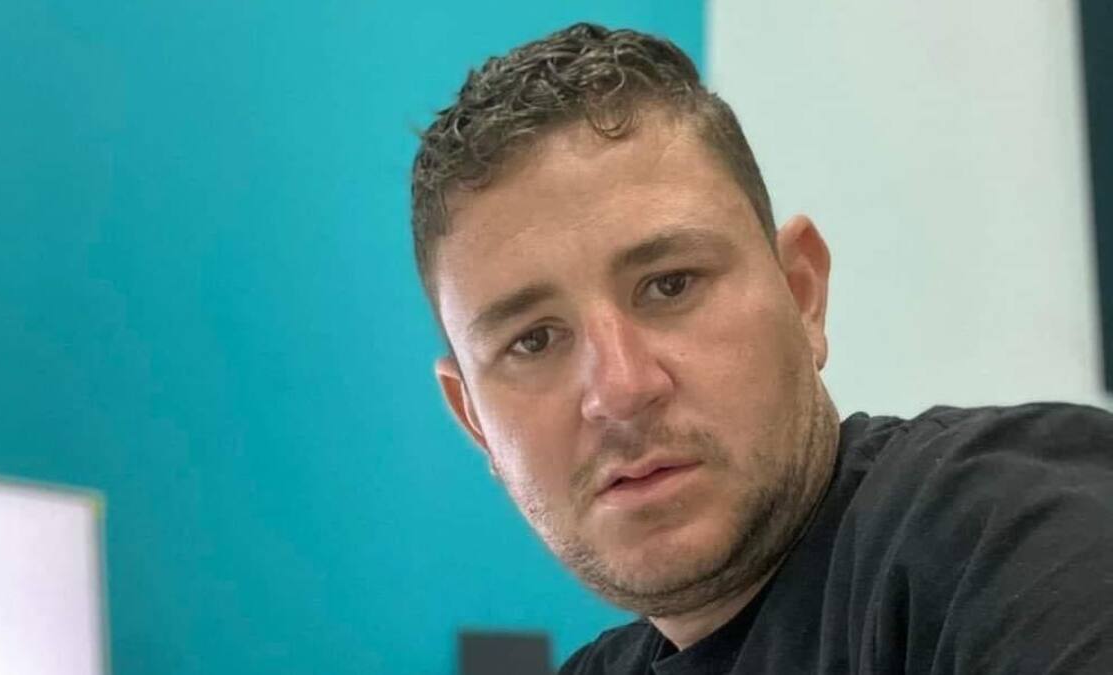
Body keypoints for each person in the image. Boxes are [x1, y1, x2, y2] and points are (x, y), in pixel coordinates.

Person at [409, 22, 1113, 674]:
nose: (621, 389)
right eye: (533, 340)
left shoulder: (1014, 536)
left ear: (802, 293)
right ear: (475, 421)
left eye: (670, 284)